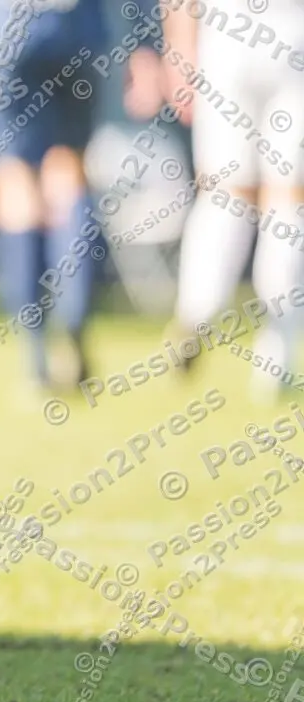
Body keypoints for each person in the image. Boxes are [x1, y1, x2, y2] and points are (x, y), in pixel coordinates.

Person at [164, 0, 304, 402]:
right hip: (291, 33)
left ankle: (196, 311)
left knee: (225, 193)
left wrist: (179, 45)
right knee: (288, 200)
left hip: (227, 31)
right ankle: (277, 357)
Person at [0, 0, 117, 390]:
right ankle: (75, 319)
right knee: (69, 181)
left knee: (17, 191)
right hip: (76, 32)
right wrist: (148, 46)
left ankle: (35, 356)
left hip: (11, 34)